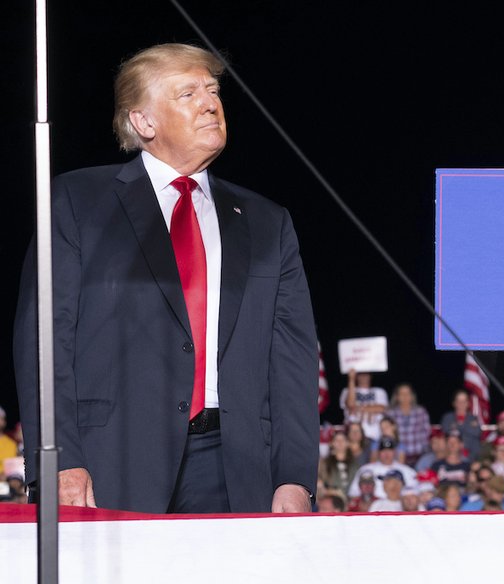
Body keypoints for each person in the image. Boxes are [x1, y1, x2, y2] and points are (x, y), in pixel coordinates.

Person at [13, 43, 319, 514]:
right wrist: (59, 460)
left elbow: (293, 360)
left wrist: (295, 477)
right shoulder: (78, 202)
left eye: (213, 90)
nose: (210, 102)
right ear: (144, 122)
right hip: (109, 463)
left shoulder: (267, 222)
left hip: (238, 473)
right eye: (188, 93)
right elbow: (45, 342)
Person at [385, 383, 431, 466]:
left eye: (407, 393)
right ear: (397, 397)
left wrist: (425, 453)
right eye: (402, 394)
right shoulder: (390, 414)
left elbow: (427, 434)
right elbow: (387, 436)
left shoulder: (421, 412)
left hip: (419, 456)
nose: (405, 396)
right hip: (398, 457)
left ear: (412, 396)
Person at [340, 369, 389, 442]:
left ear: (371, 376)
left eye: (366, 374)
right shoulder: (347, 391)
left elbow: (381, 408)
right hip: (353, 437)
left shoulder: (379, 391)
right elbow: (350, 405)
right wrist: (351, 379)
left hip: (375, 436)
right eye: (360, 374)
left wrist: (357, 408)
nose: (363, 377)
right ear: (356, 376)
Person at [438, 389, 482, 461]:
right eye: (459, 401)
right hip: (450, 454)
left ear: (468, 403)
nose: (461, 404)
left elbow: (477, 433)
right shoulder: (447, 418)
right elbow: (447, 433)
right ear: (454, 403)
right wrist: (467, 427)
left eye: (464, 401)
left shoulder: (473, 418)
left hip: (470, 455)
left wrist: (457, 427)